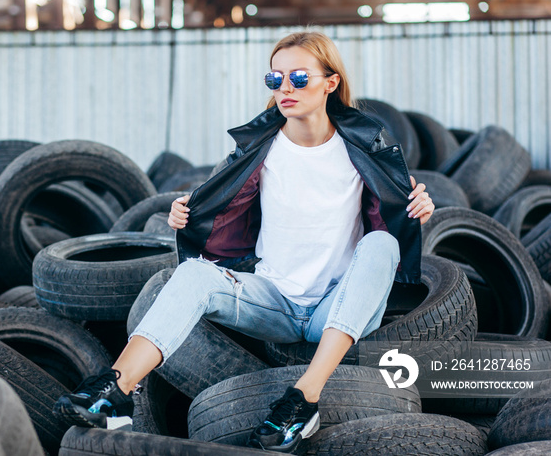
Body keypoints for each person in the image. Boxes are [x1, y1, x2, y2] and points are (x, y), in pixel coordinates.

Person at [52, 31, 434, 453]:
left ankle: (303, 399)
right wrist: (184, 212)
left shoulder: (364, 150)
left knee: (382, 245)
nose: (285, 88)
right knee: (193, 274)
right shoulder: (260, 149)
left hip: (337, 305)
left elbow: (399, 206)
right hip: (272, 301)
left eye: (299, 78)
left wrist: (419, 206)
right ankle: (115, 391)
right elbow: (214, 200)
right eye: (275, 79)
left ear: (331, 82)